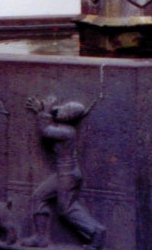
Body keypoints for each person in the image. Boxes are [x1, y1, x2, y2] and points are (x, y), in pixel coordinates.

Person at [23, 95, 105, 250]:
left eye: (65, 110)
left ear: (69, 117)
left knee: (65, 210)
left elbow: (45, 130)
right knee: (38, 197)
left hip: (67, 175)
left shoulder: (67, 132)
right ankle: (41, 238)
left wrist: (44, 110)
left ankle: (96, 232)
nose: (60, 110)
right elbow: (52, 117)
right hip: (64, 173)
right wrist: (42, 108)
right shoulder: (63, 127)